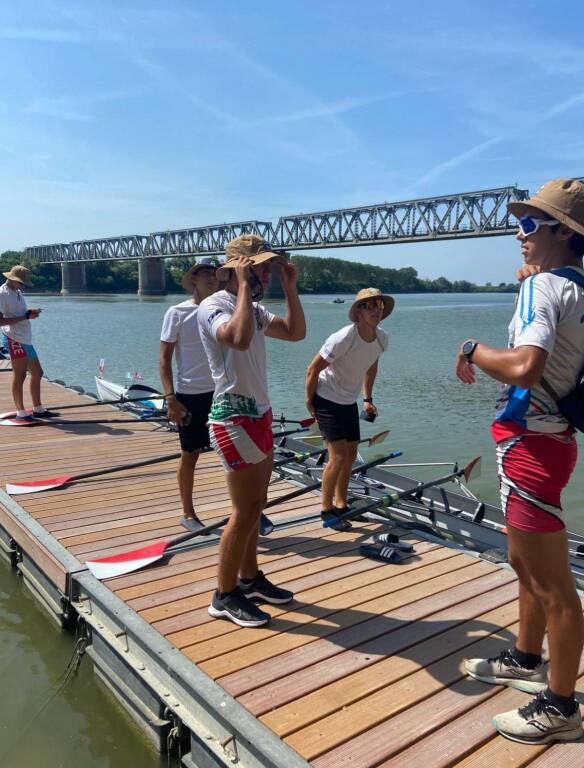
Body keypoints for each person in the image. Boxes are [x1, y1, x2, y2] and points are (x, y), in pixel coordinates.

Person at [455, 178, 584, 744]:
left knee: (552, 582)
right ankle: (527, 659)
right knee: (524, 563)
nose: (518, 233)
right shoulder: (573, 286)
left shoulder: (544, 291)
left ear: (561, 232)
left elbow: (524, 368)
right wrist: (536, 282)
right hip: (551, 440)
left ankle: (560, 705)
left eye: (530, 224)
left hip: (531, 443)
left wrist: (471, 349)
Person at [197, 234, 305, 627]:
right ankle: (223, 595)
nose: (266, 274)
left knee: (255, 508)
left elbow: (295, 333)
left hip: (259, 414)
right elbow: (238, 340)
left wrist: (291, 290)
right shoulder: (213, 306)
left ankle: (250, 577)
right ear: (236, 269)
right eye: (259, 267)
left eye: (267, 267)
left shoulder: (254, 309)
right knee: (243, 513)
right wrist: (242, 286)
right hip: (232, 418)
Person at [305, 287, 393, 530]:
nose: (376, 310)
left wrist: (367, 398)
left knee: (351, 456)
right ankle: (325, 510)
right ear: (359, 312)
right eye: (370, 305)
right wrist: (309, 401)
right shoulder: (343, 337)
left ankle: (342, 505)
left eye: (379, 305)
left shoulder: (381, 338)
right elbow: (313, 369)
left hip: (348, 401)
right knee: (338, 456)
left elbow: (371, 368)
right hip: (326, 397)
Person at [160, 257, 222, 532]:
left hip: (222, 392)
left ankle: (249, 510)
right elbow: (164, 359)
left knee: (236, 455)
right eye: (203, 272)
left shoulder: (224, 311)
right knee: (190, 454)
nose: (210, 276)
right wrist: (171, 399)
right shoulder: (177, 313)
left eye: (214, 272)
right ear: (193, 280)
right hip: (190, 395)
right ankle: (188, 513)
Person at [0, 265, 53, 422]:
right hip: (13, 338)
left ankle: (38, 409)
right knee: (20, 375)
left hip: (25, 338)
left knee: (38, 373)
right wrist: (24, 317)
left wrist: (30, 312)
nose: (23, 286)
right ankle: (21, 412)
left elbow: (18, 313)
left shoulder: (17, 291)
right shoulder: (2, 294)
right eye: (22, 283)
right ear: (12, 279)